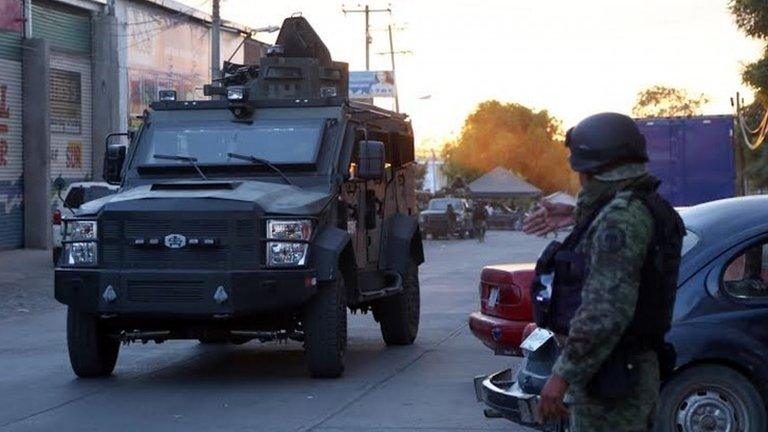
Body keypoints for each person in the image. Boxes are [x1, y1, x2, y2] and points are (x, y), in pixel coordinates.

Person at [523, 112, 685, 432]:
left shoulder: (621, 219)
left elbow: (604, 312)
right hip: (624, 370)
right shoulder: (641, 206)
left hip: (614, 380)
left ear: (593, 170)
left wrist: (561, 376)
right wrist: (579, 214)